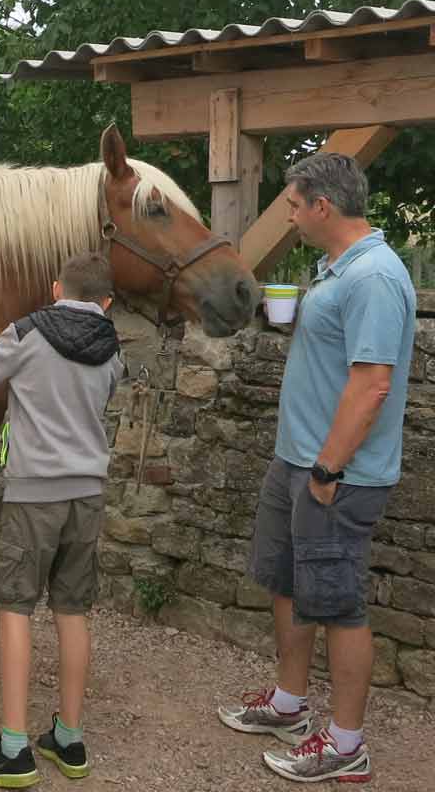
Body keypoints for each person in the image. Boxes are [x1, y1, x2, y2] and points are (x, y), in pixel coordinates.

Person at [218, 153, 416, 784]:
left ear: (323, 207)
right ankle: (289, 704)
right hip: (296, 461)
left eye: (296, 206)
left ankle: (347, 744)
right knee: (286, 582)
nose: (294, 217)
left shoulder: (375, 277)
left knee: (337, 603)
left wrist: (328, 469)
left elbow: (372, 385)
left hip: (337, 474)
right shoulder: (338, 270)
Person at [0, 253, 123, 787]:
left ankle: (15, 749)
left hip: (33, 494)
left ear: (54, 287)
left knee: (15, 609)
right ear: (107, 302)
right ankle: (69, 738)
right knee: (72, 611)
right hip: (88, 495)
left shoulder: (27, 333)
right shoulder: (113, 349)